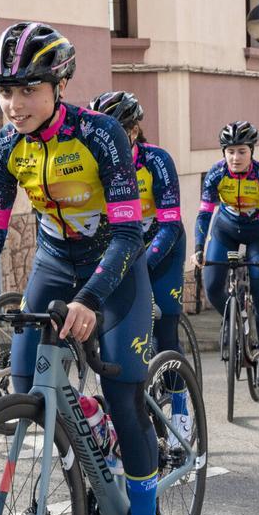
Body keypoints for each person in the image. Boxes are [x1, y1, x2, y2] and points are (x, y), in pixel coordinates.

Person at [0, 22, 164, 515]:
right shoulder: (7, 147)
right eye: (5, 91)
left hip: (113, 264)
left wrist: (91, 298)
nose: (14, 105)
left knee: (121, 386)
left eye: (27, 90)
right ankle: (86, 460)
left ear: (58, 85)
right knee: (25, 380)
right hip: (54, 261)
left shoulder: (101, 135)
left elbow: (128, 234)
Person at [89, 90, 191, 443]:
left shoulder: (156, 161)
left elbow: (170, 223)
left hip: (161, 250)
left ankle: (180, 409)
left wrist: (142, 263)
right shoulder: (97, 161)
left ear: (132, 132)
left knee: (166, 334)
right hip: (121, 250)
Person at [191, 121, 259, 387]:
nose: (235, 157)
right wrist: (199, 247)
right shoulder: (216, 174)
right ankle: (233, 319)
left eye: (241, 151)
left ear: (251, 151)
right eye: (230, 151)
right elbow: (205, 212)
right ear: (223, 152)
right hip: (226, 230)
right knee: (211, 286)